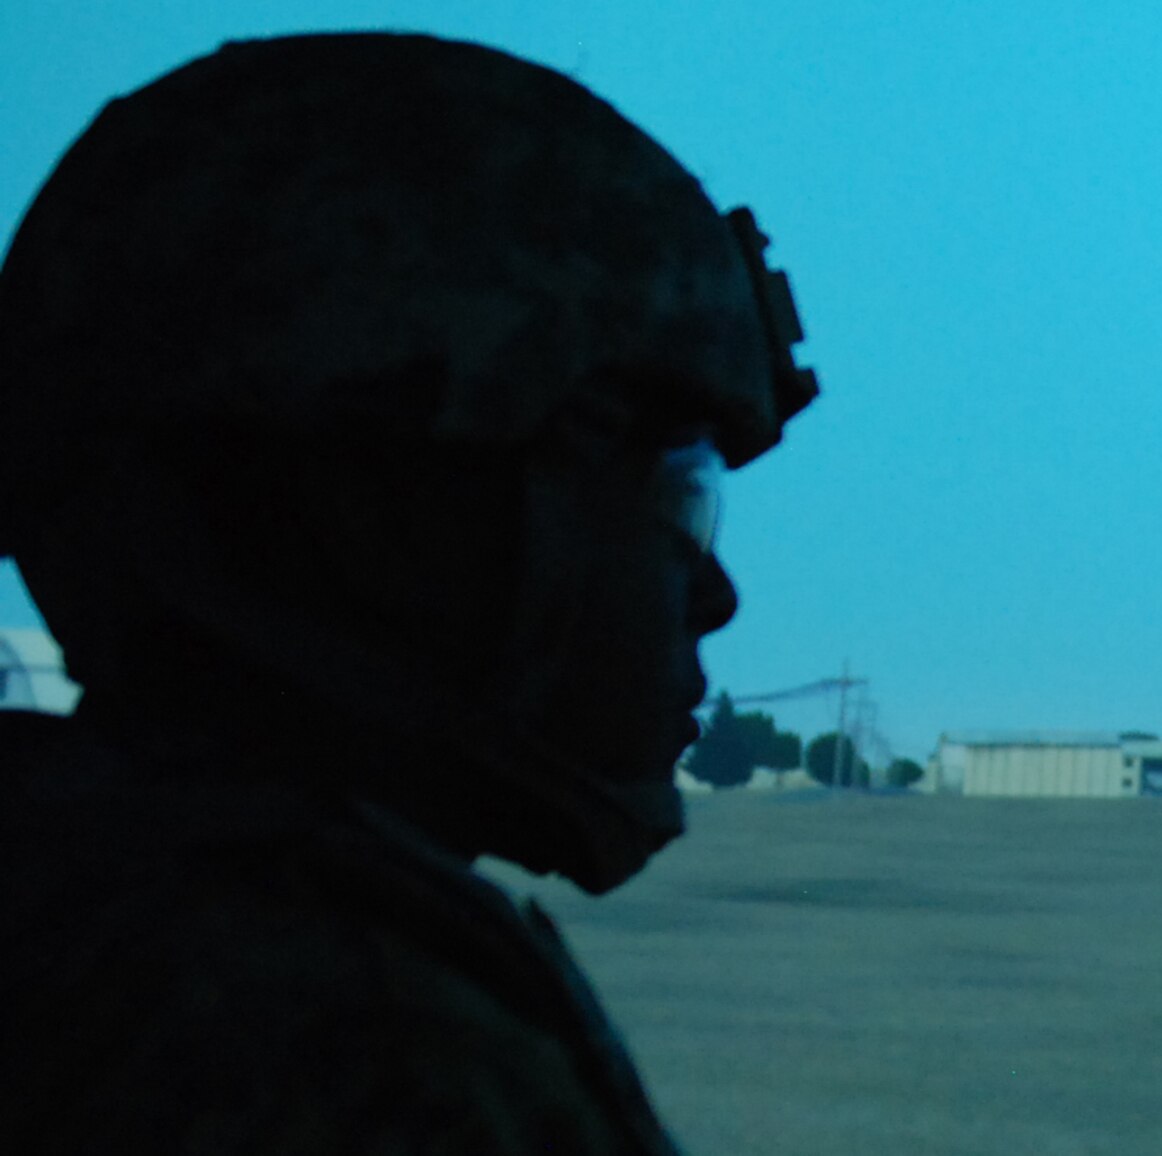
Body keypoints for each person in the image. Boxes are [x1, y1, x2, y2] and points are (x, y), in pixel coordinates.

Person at [0, 32, 815, 1152]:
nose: (710, 594)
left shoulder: (80, 912)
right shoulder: (339, 1040)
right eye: (661, 496)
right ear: (384, 501)